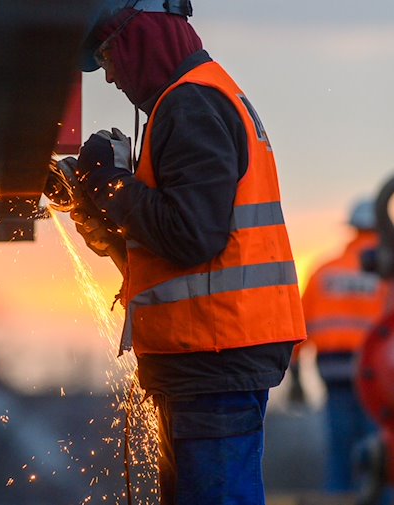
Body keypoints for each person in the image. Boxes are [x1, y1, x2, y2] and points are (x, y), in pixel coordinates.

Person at [68, 1, 307, 503]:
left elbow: (191, 236)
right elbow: (186, 246)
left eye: (108, 56)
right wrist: (111, 216)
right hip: (210, 355)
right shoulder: (197, 99)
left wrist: (113, 184)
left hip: (214, 356)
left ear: (140, 35)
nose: (110, 77)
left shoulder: (191, 103)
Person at [295, 199, 390, 493]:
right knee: (382, 455)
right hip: (380, 377)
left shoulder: (324, 270)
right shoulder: (387, 273)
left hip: (333, 373)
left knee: (340, 454)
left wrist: (296, 374)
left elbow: (299, 325)